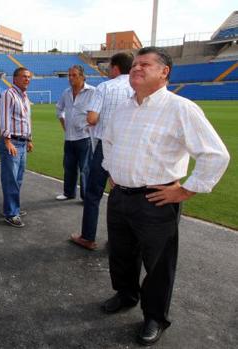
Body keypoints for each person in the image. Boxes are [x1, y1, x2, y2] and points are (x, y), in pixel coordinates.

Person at [101, 47, 229, 346]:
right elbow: (108, 142)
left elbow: (215, 155)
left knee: (158, 265)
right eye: (133, 65)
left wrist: (185, 189)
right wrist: (112, 171)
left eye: (144, 64)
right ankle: (126, 294)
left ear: (164, 72)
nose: (136, 69)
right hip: (120, 196)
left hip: (156, 199)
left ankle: (155, 317)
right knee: (121, 253)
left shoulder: (180, 109)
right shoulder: (123, 108)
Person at [70, 53, 133, 250]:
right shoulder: (137, 87)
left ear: (115, 68)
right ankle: (119, 241)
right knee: (124, 194)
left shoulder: (105, 87)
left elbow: (92, 118)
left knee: (93, 193)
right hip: (130, 149)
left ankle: (88, 237)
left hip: (105, 146)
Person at [0, 67, 33, 228]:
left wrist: (29, 139)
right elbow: (4, 119)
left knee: (17, 179)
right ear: (15, 79)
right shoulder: (8, 94)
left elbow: (26, 120)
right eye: (24, 77)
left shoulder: (24, 97)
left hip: (22, 142)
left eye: (29, 77)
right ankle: (11, 213)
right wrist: (7, 141)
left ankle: (13, 208)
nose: (27, 79)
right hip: (11, 143)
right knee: (10, 179)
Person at [55, 65, 95, 201]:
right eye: (69, 75)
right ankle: (68, 193)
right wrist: (64, 124)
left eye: (74, 75)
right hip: (69, 138)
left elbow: (99, 112)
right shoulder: (66, 93)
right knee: (69, 167)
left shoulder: (93, 92)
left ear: (82, 76)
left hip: (85, 138)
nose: (71, 78)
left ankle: (86, 197)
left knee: (85, 169)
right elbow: (59, 109)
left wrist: (90, 126)